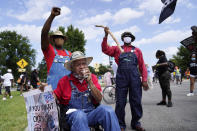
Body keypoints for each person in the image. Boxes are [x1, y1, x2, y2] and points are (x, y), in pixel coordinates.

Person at [41, 51, 121, 131]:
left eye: (84, 64)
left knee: (107, 110)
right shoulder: (64, 81)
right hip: (73, 116)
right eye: (78, 64)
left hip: (91, 114)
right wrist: (46, 91)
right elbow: (54, 98)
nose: (82, 67)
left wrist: (90, 82)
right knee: (80, 115)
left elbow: (99, 99)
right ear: (72, 68)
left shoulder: (92, 77)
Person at [101, 27, 148, 131]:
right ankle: (120, 124)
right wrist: (105, 36)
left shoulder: (137, 50)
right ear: (122, 39)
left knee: (136, 101)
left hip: (135, 78)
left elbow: (142, 66)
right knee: (120, 102)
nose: (128, 37)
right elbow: (105, 49)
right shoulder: (117, 48)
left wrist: (144, 79)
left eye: (129, 36)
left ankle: (136, 123)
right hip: (121, 78)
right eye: (126, 36)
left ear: (132, 38)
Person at [41, 7, 71, 90]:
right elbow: (44, 33)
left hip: (68, 91)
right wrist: (52, 16)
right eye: (56, 37)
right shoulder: (49, 51)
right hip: (53, 90)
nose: (59, 39)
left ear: (64, 40)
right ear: (53, 40)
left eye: (61, 37)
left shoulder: (69, 54)